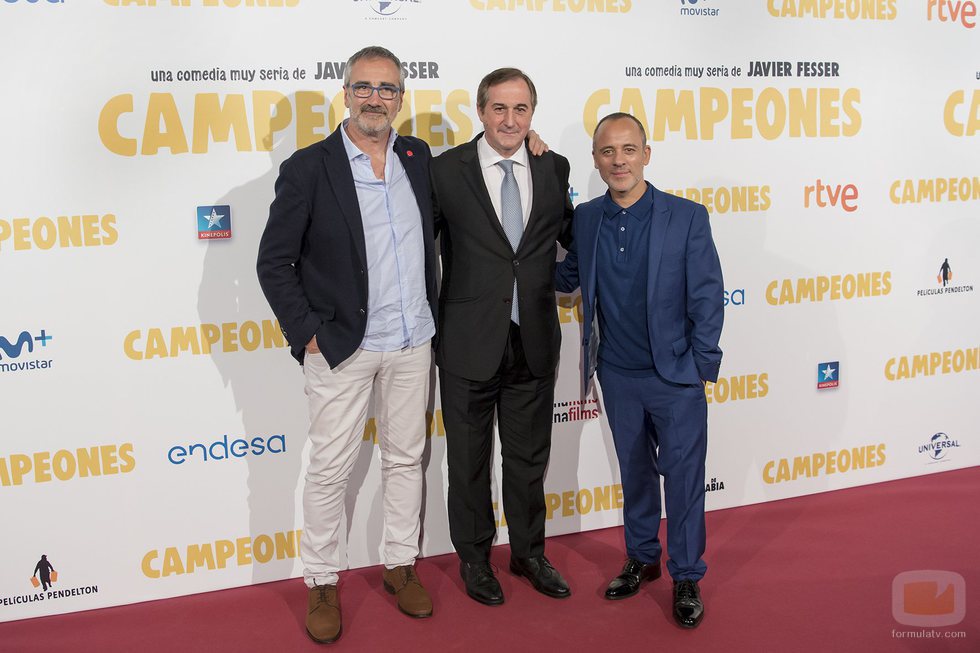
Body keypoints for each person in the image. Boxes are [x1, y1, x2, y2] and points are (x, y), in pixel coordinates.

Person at [256, 45, 437, 644]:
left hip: (413, 341)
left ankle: (399, 565)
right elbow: (273, 261)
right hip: (341, 346)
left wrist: (529, 146)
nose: (374, 99)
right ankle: (321, 580)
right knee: (330, 468)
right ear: (346, 94)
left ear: (401, 98)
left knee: (406, 458)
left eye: (387, 89)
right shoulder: (309, 167)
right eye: (364, 87)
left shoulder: (417, 157)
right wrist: (306, 331)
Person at [554, 112, 724, 629]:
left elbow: (708, 295)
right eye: (608, 151)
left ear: (646, 155)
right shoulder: (587, 219)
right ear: (595, 160)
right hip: (616, 374)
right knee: (635, 472)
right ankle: (643, 557)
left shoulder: (686, 217)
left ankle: (686, 575)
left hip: (674, 377)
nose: (619, 160)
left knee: (685, 480)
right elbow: (568, 278)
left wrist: (698, 367)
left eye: (628, 149)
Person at [430, 67, 574, 606]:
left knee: (529, 460)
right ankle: (474, 559)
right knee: (468, 462)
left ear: (532, 113)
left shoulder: (553, 166)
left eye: (521, 109)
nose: (510, 120)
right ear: (480, 111)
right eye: (499, 109)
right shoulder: (445, 171)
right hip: (468, 341)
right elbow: (417, 248)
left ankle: (529, 553)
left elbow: (570, 235)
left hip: (532, 339)